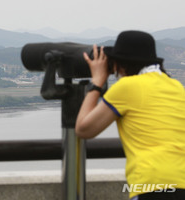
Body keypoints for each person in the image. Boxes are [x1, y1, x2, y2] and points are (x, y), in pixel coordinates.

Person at [75, 30, 185, 200]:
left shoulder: (127, 86)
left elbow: (83, 129)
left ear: (120, 64)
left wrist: (97, 82)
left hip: (153, 182)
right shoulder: (176, 86)